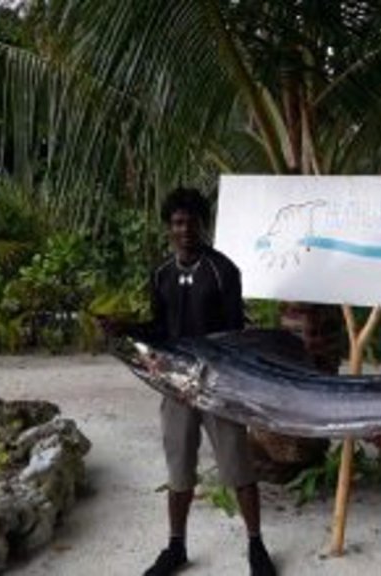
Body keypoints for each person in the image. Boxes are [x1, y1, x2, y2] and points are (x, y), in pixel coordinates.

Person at [102, 187, 276, 576]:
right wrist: (125, 328)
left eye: (192, 222)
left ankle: (256, 545)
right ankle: (176, 547)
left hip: (218, 388)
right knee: (179, 469)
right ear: (169, 227)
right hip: (176, 388)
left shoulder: (223, 271)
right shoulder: (161, 274)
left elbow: (234, 335)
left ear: (203, 224)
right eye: (178, 222)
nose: (185, 229)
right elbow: (159, 328)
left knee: (239, 469)